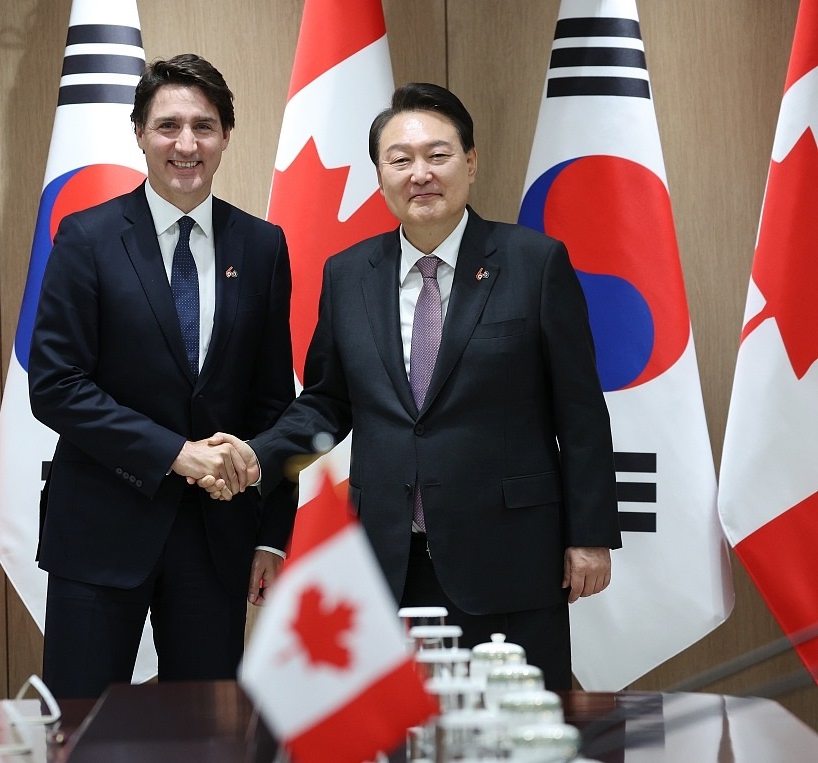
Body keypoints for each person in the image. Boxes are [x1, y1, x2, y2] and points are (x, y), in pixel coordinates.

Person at [204, 83, 621, 690]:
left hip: (509, 554)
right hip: (388, 557)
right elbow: (326, 401)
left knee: (513, 724)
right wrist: (254, 455)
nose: (419, 174)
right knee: (398, 728)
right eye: (399, 160)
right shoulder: (348, 274)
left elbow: (579, 411)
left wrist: (590, 536)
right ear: (380, 176)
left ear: (470, 163)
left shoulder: (534, 263)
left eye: (438, 155)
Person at [28, 53, 296, 698]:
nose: (186, 144)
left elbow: (273, 403)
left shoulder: (262, 246)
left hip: (218, 538)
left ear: (226, 136)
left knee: (206, 731)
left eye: (204, 127)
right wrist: (175, 453)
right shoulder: (87, 238)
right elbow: (56, 385)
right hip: (100, 529)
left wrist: (272, 537)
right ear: (140, 134)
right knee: (82, 728)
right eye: (168, 126)